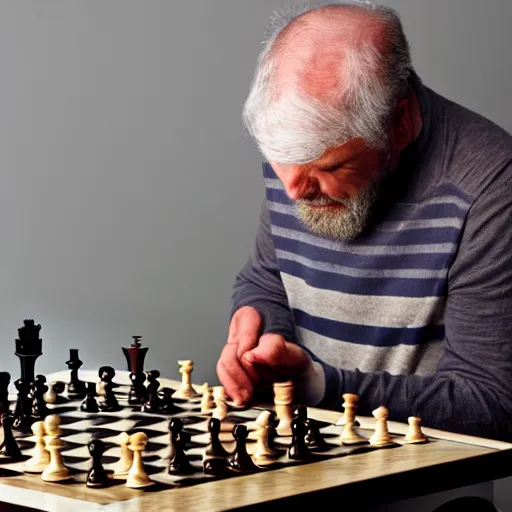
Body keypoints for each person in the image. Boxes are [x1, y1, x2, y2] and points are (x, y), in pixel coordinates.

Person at [216, 0, 512, 443]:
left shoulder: (491, 184)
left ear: (400, 126)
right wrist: (263, 341)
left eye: (330, 169)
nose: (295, 192)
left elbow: (491, 402)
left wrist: (320, 386)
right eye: (282, 164)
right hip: (300, 459)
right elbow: (268, 280)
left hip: (421, 485)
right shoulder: (301, 161)